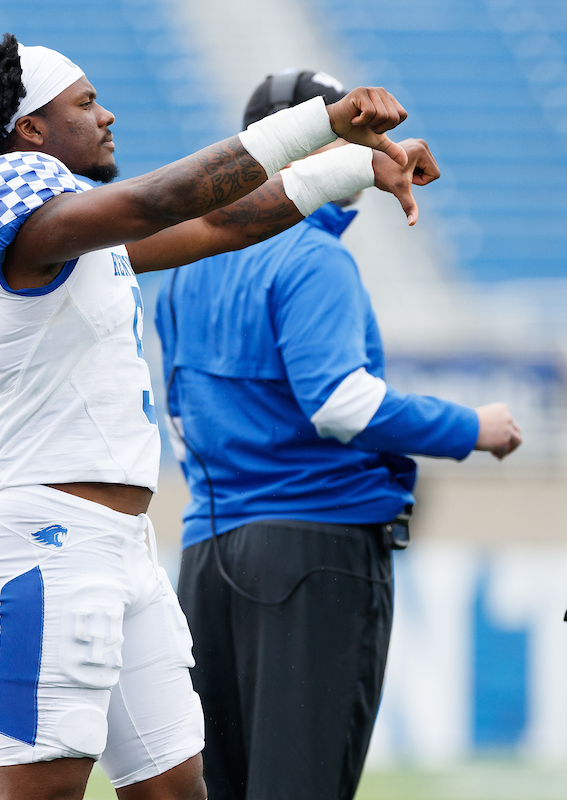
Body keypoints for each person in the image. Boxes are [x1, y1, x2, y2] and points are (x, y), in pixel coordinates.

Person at [0, 35, 440, 800]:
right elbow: (163, 200)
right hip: (54, 538)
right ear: (31, 128)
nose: (106, 115)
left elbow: (221, 226)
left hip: (121, 545)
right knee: (43, 791)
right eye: (84, 103)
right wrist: (323, 123)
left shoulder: (77, 228)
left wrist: (354, 166)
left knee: (177, 789)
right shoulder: (3, 187)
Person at [154, 69, 523, 800]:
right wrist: (471, 428)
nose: (374, 149)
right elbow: (343, 407)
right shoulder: (312, 256)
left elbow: (177, 415)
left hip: (206, 554)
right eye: (355, 133)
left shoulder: (183, 272)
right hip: (313, 554)